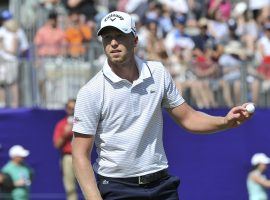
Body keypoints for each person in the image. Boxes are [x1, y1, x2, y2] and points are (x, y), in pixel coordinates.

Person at [71, 11, 253, 200]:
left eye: (120, 36)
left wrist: (225, 121)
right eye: (107, 37)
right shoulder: (91, 91)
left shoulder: (157, 72)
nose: (113, 43)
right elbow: (79, 155)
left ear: (134, 40)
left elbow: (188, 118)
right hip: (117, 188)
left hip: (161, 185)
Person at [53, 99, 78, 200]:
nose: (72, 110)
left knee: (88, 185)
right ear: (66, 109)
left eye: (74, 108)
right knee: (70, 188)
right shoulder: (61, 124)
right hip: (68, 157)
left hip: (83, 156)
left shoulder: (84, 121)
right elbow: (57, 145)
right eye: (70, 108)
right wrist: (65, 133)